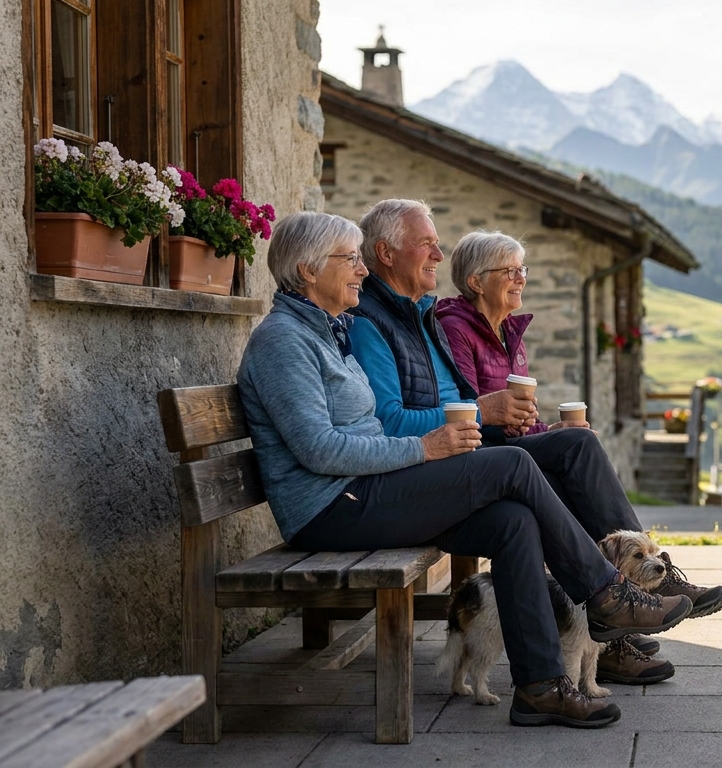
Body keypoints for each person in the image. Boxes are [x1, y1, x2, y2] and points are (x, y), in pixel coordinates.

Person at [236, 211, 693, 729]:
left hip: (365, 491)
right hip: (331, 507)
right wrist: (425, 449)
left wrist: (423, 449)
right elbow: (319, 450)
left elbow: (361, 432)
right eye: (349, 258)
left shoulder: (325, 332)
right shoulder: (283, 341)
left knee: (512, 522)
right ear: (306, 269)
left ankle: (541, 685)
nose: (361, 269)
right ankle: (608, 594)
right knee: (513, 465)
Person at [348, 200, 722, 686]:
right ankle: (613, 605)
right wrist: (492, 416)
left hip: (461, 455)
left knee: (574, 448)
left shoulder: (421, 315)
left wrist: (526, 429)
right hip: (435, 466)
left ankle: (598, 630)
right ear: (386, 252)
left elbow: (464, 406)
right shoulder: (400, 322)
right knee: (564, 459)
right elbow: (402, 419)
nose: (438, 255)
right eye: (427, 244)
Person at [435, 231, 560, 435]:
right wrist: (507, 426)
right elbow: (467, 410)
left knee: (578, 435)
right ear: (477, 283)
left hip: (512, 443)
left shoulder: (509, 331)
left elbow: (522, 419)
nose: (520, 279)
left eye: (521, 270)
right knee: (579, 443)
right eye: (510, 271)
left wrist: (551, 429)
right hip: (486, 446)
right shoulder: (455, 329)